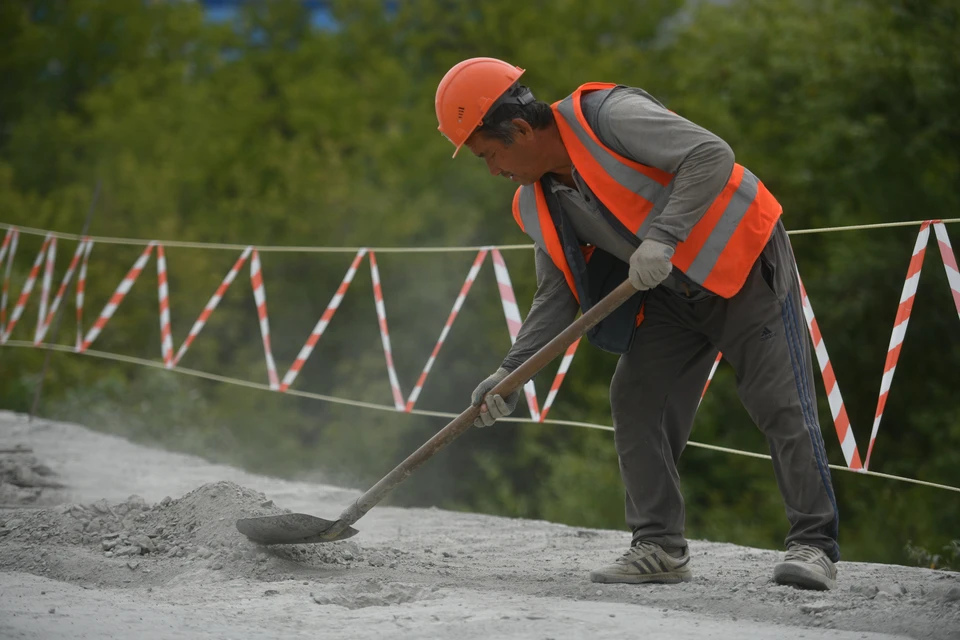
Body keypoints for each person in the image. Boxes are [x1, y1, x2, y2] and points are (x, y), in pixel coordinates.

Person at [434, 57, 841, 591]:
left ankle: (814, 546)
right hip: (670, 292)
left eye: (491, 154)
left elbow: (710, 154)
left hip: (742, 264)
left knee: (779, 402)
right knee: (636, 397)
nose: (493, 170)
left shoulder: (610, 116)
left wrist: (665, 236)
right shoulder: (536, 203)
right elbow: (557, 293)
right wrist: (510, 374)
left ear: (520, 129)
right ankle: (660, 546)